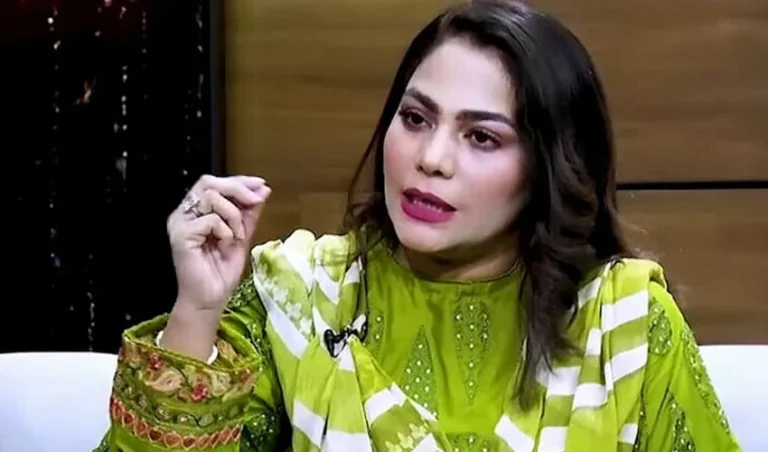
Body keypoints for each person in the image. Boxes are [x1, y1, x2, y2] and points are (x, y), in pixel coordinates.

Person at [94, 1, 741, 451]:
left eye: (482, 137)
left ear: (547, 169)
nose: (431, 158)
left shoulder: (621, 322)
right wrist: (198, 310)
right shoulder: (297, 296)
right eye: (415, 119)